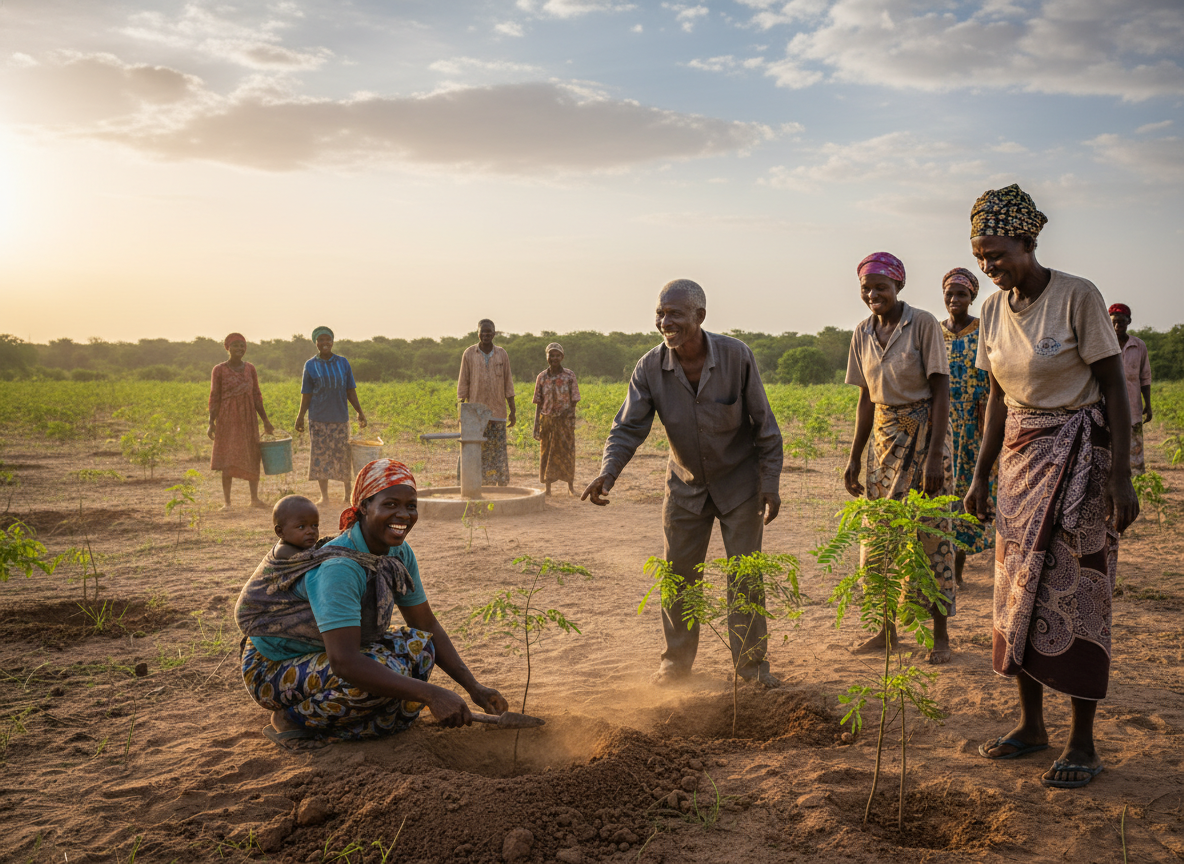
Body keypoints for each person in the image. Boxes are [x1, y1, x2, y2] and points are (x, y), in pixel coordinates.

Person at [963, 184, 1138, 789]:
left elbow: (1114, 387)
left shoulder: (1076, 296)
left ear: (1028, 242)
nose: (989, 266)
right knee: (1020, 595)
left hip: (1082, 464)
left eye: (997, 253)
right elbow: (996, 400)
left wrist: (1120, 476)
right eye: (980, 256)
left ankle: (1082, 743)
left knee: (1079, 596)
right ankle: (1031, 726)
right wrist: (980, 474)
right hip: (1019, 466)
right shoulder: (992, 310)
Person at [582, 279, 784, 687]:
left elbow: (765, 425)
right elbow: (627, 428)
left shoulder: (736, 356)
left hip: (739, 485)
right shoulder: (649, 368)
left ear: (700, 316)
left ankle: (750, 667)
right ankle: (676, 663)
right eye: (660, 313)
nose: (665, 322)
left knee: (745, 577)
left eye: (674, 313)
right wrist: (608, 472)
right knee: (678, 577)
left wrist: (770, 483)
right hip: (685, 486)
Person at [236, 459, 509, 751]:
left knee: (420, 648)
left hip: (323, 653)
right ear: (364, 507)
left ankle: (362, 720)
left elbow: (426, 624)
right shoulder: (340, 567)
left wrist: (474, 687)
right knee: (375, 681)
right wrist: (432, 694)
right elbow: (344, 662)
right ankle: (291, 720)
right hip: (272, 667)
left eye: (411, 506)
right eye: (390, 504)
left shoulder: (398, 553)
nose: (403, 515)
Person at [844, 252, 956, 665]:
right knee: (879, 539)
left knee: (931, 537)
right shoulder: (861, 332)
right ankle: (885, 629)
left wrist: (934, 457)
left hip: (926, 437)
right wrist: (854, 457)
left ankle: (940, 635)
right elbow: (865, 400)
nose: (873, 294)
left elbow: (941, 390)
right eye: (867, 288)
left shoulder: (922, 324)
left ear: (898, 286)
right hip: (882, 444)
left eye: (881, 287)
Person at [941, 268, 995, 585]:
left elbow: (995, 379)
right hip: (943, 423)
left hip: (976, 425)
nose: (954, 299)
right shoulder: (935, 333)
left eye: (961, 294)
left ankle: (958, 570)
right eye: (949, 293)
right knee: (942, 492)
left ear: (971, 297)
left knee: (967, 490)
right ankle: (942, 568)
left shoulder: (983, 332)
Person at [294, 327, 367, 505]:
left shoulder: (343, 363)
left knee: (343, 456)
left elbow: (350, 390)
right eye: (321, 340)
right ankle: (324, 496)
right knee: (320, 457)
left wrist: (360, 412)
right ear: (316, 343)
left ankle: (347, 494)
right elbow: (306, 394)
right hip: (318, 418)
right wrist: (300, 416)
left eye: (328, 340)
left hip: (340, 418)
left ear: (332, 342)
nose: (325, 343)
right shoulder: (310, 365)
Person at [207, 333, 274, 509]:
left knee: (252, 455)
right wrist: (211, 422)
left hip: (248, 418)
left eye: (242, 346)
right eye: (235, 345)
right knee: (227, 457)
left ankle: (254, 499)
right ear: (227, 348)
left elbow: (257, 395)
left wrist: (265, 420)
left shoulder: (250, 369)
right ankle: (227, 502)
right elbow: (214, 396)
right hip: (227, 418)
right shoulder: (219, 370)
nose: (239, 349)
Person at [456, 319, 516, 486]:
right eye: (483, 332)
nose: (486, 335)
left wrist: (513, 410)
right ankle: (472, 481)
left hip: (498, 411)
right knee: (474, 447)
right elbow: (463, 383)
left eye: (489, 332)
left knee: (497, 449)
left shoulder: (502, 354)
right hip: (475, 412)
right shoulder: (469, 354)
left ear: (494, 334)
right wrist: (461, 411)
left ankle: (499, 481)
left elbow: (508, 383)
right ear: (478, 333)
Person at [1109, 303, 1152, 476]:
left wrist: (1148, 404)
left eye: (1121, 322)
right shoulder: (1104, 344)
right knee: (1108, 448)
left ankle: (1134, 482)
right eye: (1113, 322)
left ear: (1129, 322)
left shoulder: (1139, 346)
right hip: (1107, 406)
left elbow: (1145, 377)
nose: (1117, 326)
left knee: (1134, 448)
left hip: (1133, 406)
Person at [533, 342, 581, 496]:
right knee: (547, 453)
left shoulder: (569, 376)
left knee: (567, 452)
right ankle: (548, 488)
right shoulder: (542, 377)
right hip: (547, 421)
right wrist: (536, 426)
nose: (554, 358)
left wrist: (569, 418)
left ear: (562, 357)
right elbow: (538, 403)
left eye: (557, 355)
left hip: (565, 421)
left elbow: (574, 400)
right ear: (547, 357)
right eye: (551, 355)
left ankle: (570, 487)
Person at [271, 495, 320, 560]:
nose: (311, 531)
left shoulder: (299, 544)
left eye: (314, 525)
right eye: (301, 527)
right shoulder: (283, 551)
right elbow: (313, 559)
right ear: (280, 532)